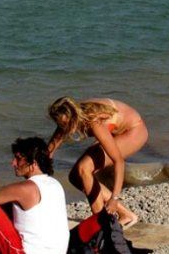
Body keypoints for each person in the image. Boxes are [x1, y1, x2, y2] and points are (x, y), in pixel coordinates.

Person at [47, 97, 147, 229]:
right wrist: (40, 169)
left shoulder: (94, 122)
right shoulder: (68, 116)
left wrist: (114, 198)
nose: (67, 129)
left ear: (74, 116)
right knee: (75, 177)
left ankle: (102, 225)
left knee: (84, 168)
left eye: (68, 125)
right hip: (113, 130)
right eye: (62, 125)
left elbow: (119, 162)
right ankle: (126, 215)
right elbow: (52, 146)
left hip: (134, 131)